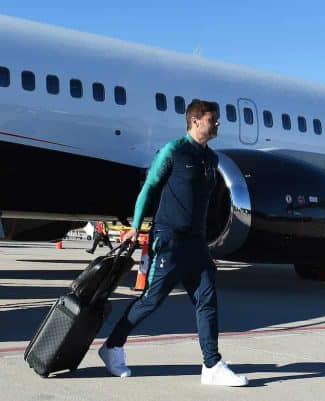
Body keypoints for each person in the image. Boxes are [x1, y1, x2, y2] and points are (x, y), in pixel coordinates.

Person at [98, 100, 248, 386]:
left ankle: (211, 365)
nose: (217, 124)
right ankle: (112, 347)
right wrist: (135, 224)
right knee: (151, 301)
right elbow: (149, 188)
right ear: (195, 121)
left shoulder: (212, 159)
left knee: (207, 299)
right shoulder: (174, 151)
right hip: (168, 240)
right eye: (212, 119)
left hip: (196, 244)